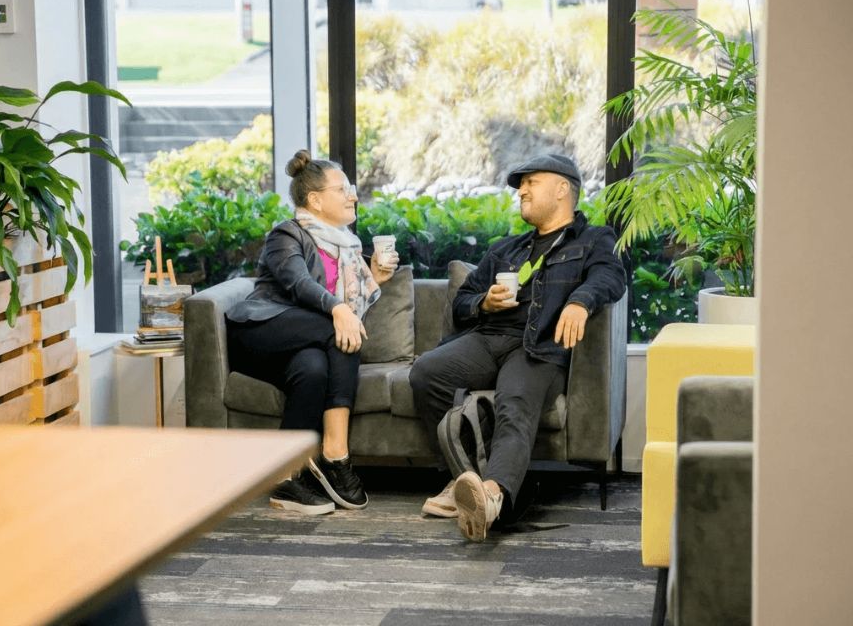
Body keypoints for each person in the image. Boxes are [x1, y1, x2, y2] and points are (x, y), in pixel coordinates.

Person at [409, 153, 627, 541]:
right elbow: (463, 299)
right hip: (489, 338)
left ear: (562, 189)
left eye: (531, 182)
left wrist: (580, 301)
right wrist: (484, 303)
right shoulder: (506, 248)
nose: (522, 191)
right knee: (427, 373)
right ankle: (466, 480)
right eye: (521, 185)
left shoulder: (593, 239)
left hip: (538, 346)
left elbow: (611, 276)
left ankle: (492, 497)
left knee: (514, 404)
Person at [226, 149, 399, 516]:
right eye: (343, 189)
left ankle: (286, 478)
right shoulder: (286, 235)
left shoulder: (346, 246)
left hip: (304, 344)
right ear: (315, 200)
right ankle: (336, 455)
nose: (352, 196)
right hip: (261, 330)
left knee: (313, 369)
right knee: (340, 329)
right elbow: (298, 282)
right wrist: (339, 310)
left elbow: (348, 304)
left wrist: (373, 278)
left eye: (351, 190)